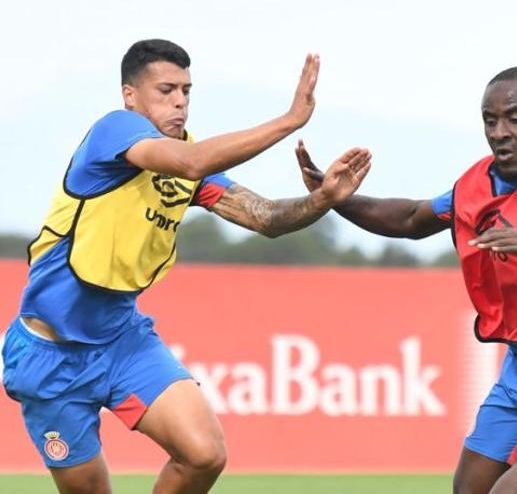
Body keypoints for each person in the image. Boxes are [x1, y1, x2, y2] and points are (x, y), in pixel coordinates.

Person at [1, 39, 371, 494]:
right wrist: (290, 120)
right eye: (166, 90)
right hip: (50, 355)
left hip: (122, 340)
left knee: (204, 453)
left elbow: (266, 218)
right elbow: (191, 164)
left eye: (187, 91)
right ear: (130, 96)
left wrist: (323, 201)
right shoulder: (116, 131)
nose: (180, 101)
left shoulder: (188, 160)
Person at [297, 67, 517, 493]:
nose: (500, 132)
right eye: (490, 120)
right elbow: (412, 218)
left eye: (515, 118)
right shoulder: (478, 183)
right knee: (467, 490)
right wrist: (334, 199)